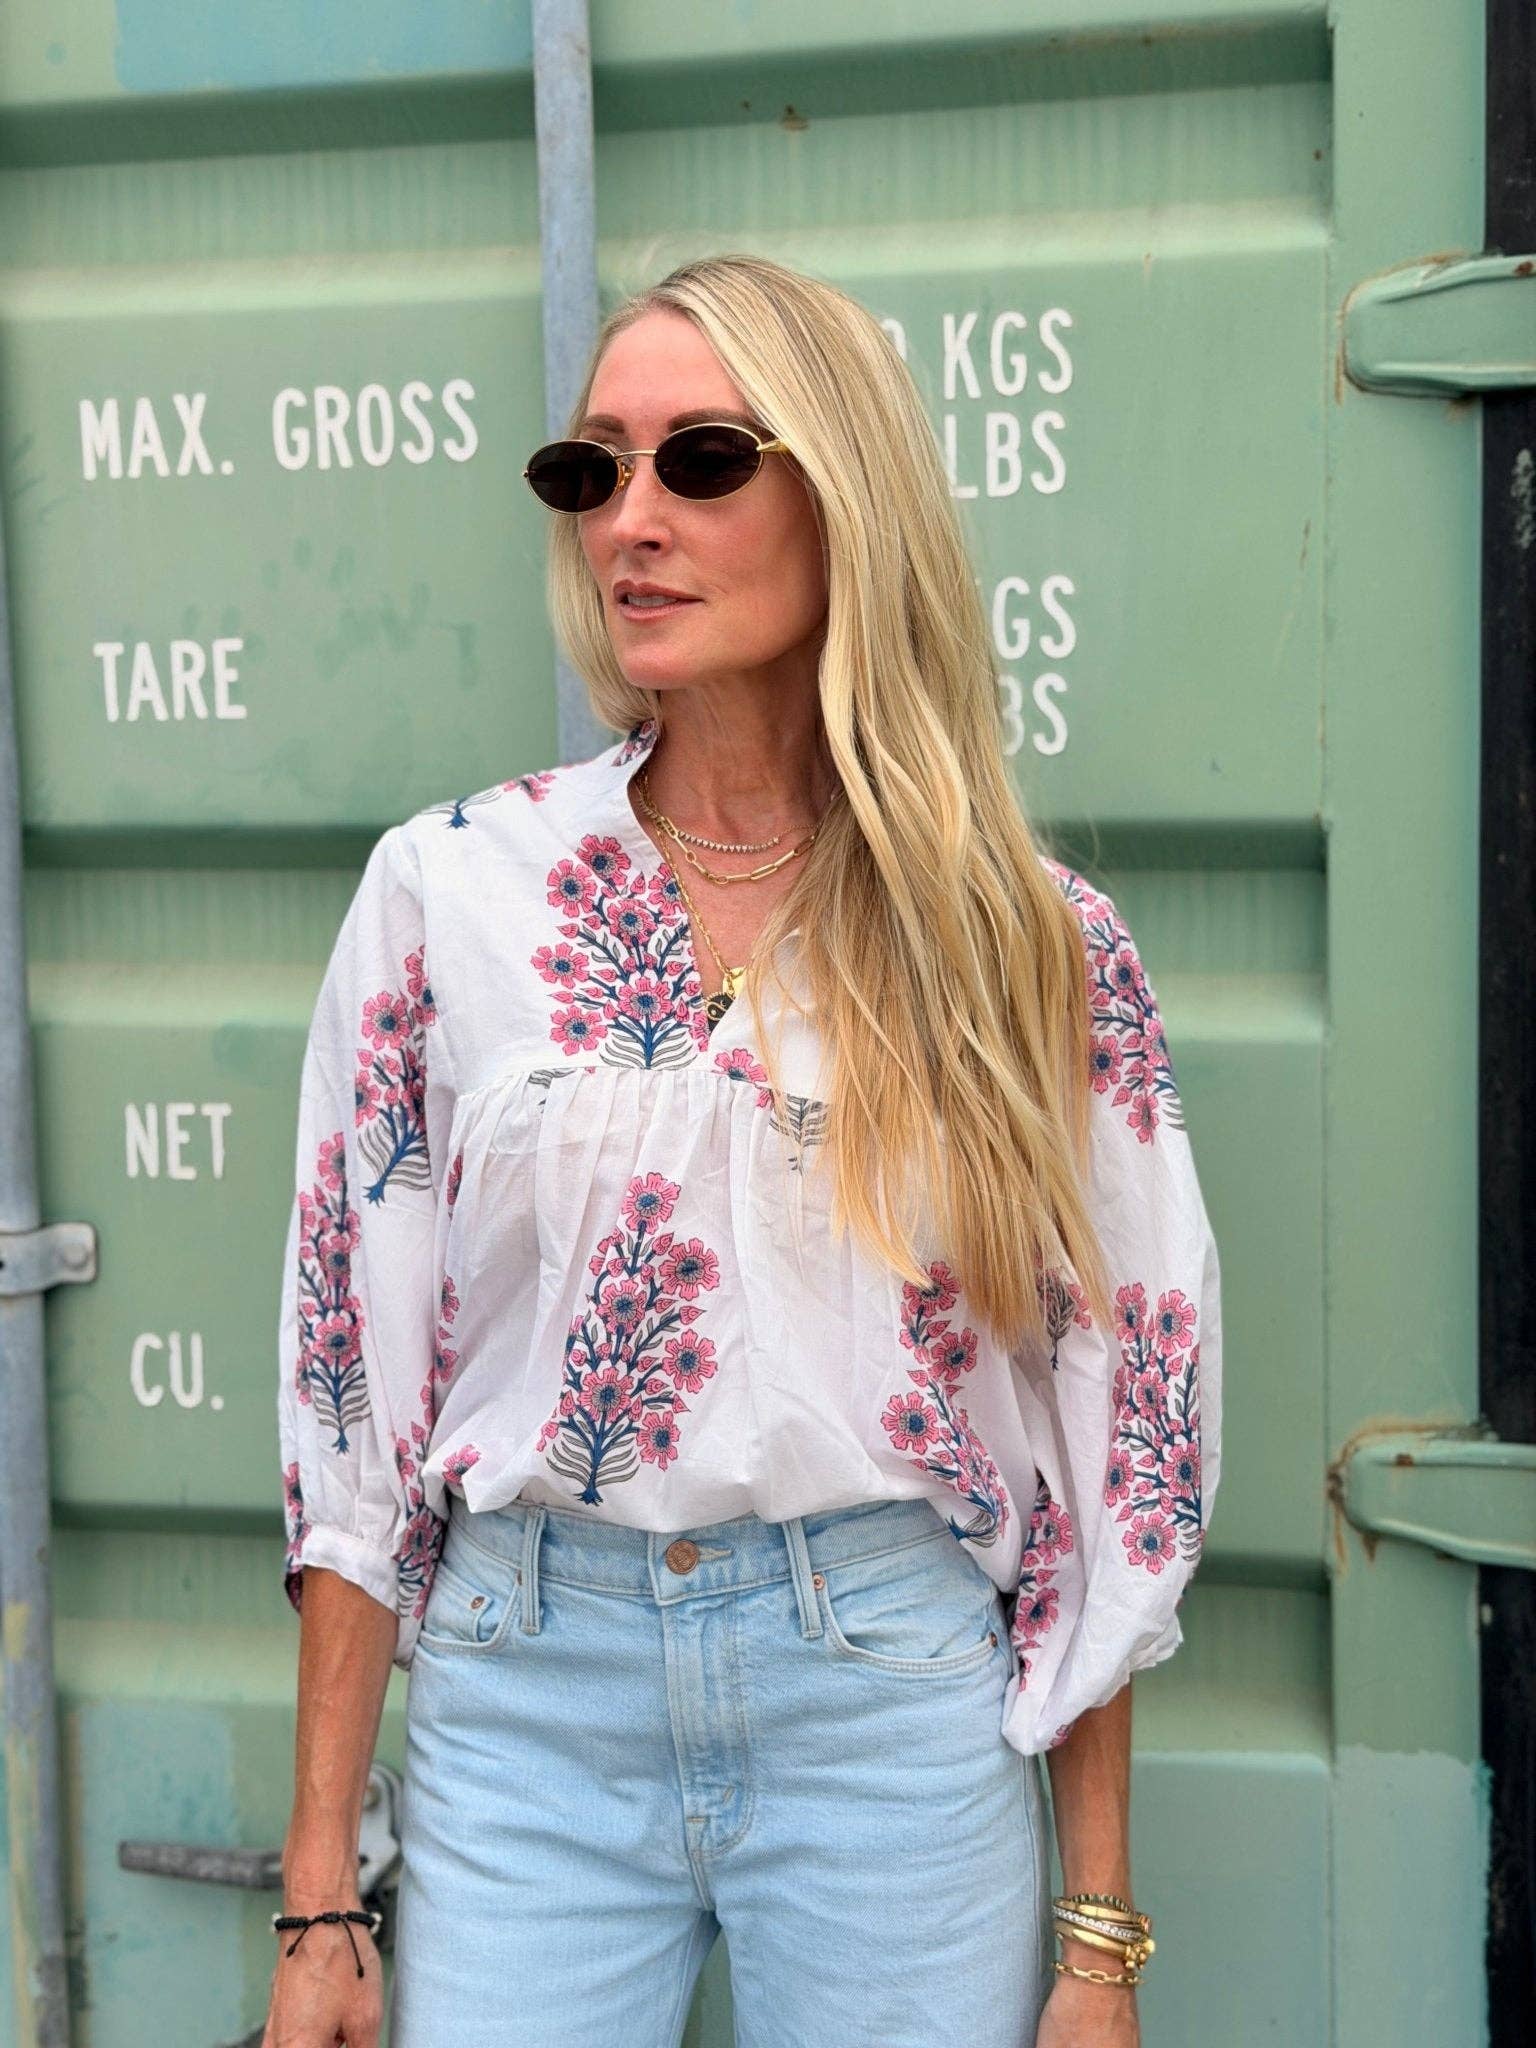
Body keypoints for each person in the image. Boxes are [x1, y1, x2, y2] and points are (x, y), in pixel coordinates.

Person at [263, 251, 1222, 2048]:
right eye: (591, 470)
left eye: (701, 461)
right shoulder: (448, 894)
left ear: (843, 492)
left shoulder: (1019, 939)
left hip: (888, 1704)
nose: (629, 521)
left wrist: (1098, 1944)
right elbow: (353, 1396)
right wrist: (320, 1894)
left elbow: (1110, 1433)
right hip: (524, 1704)